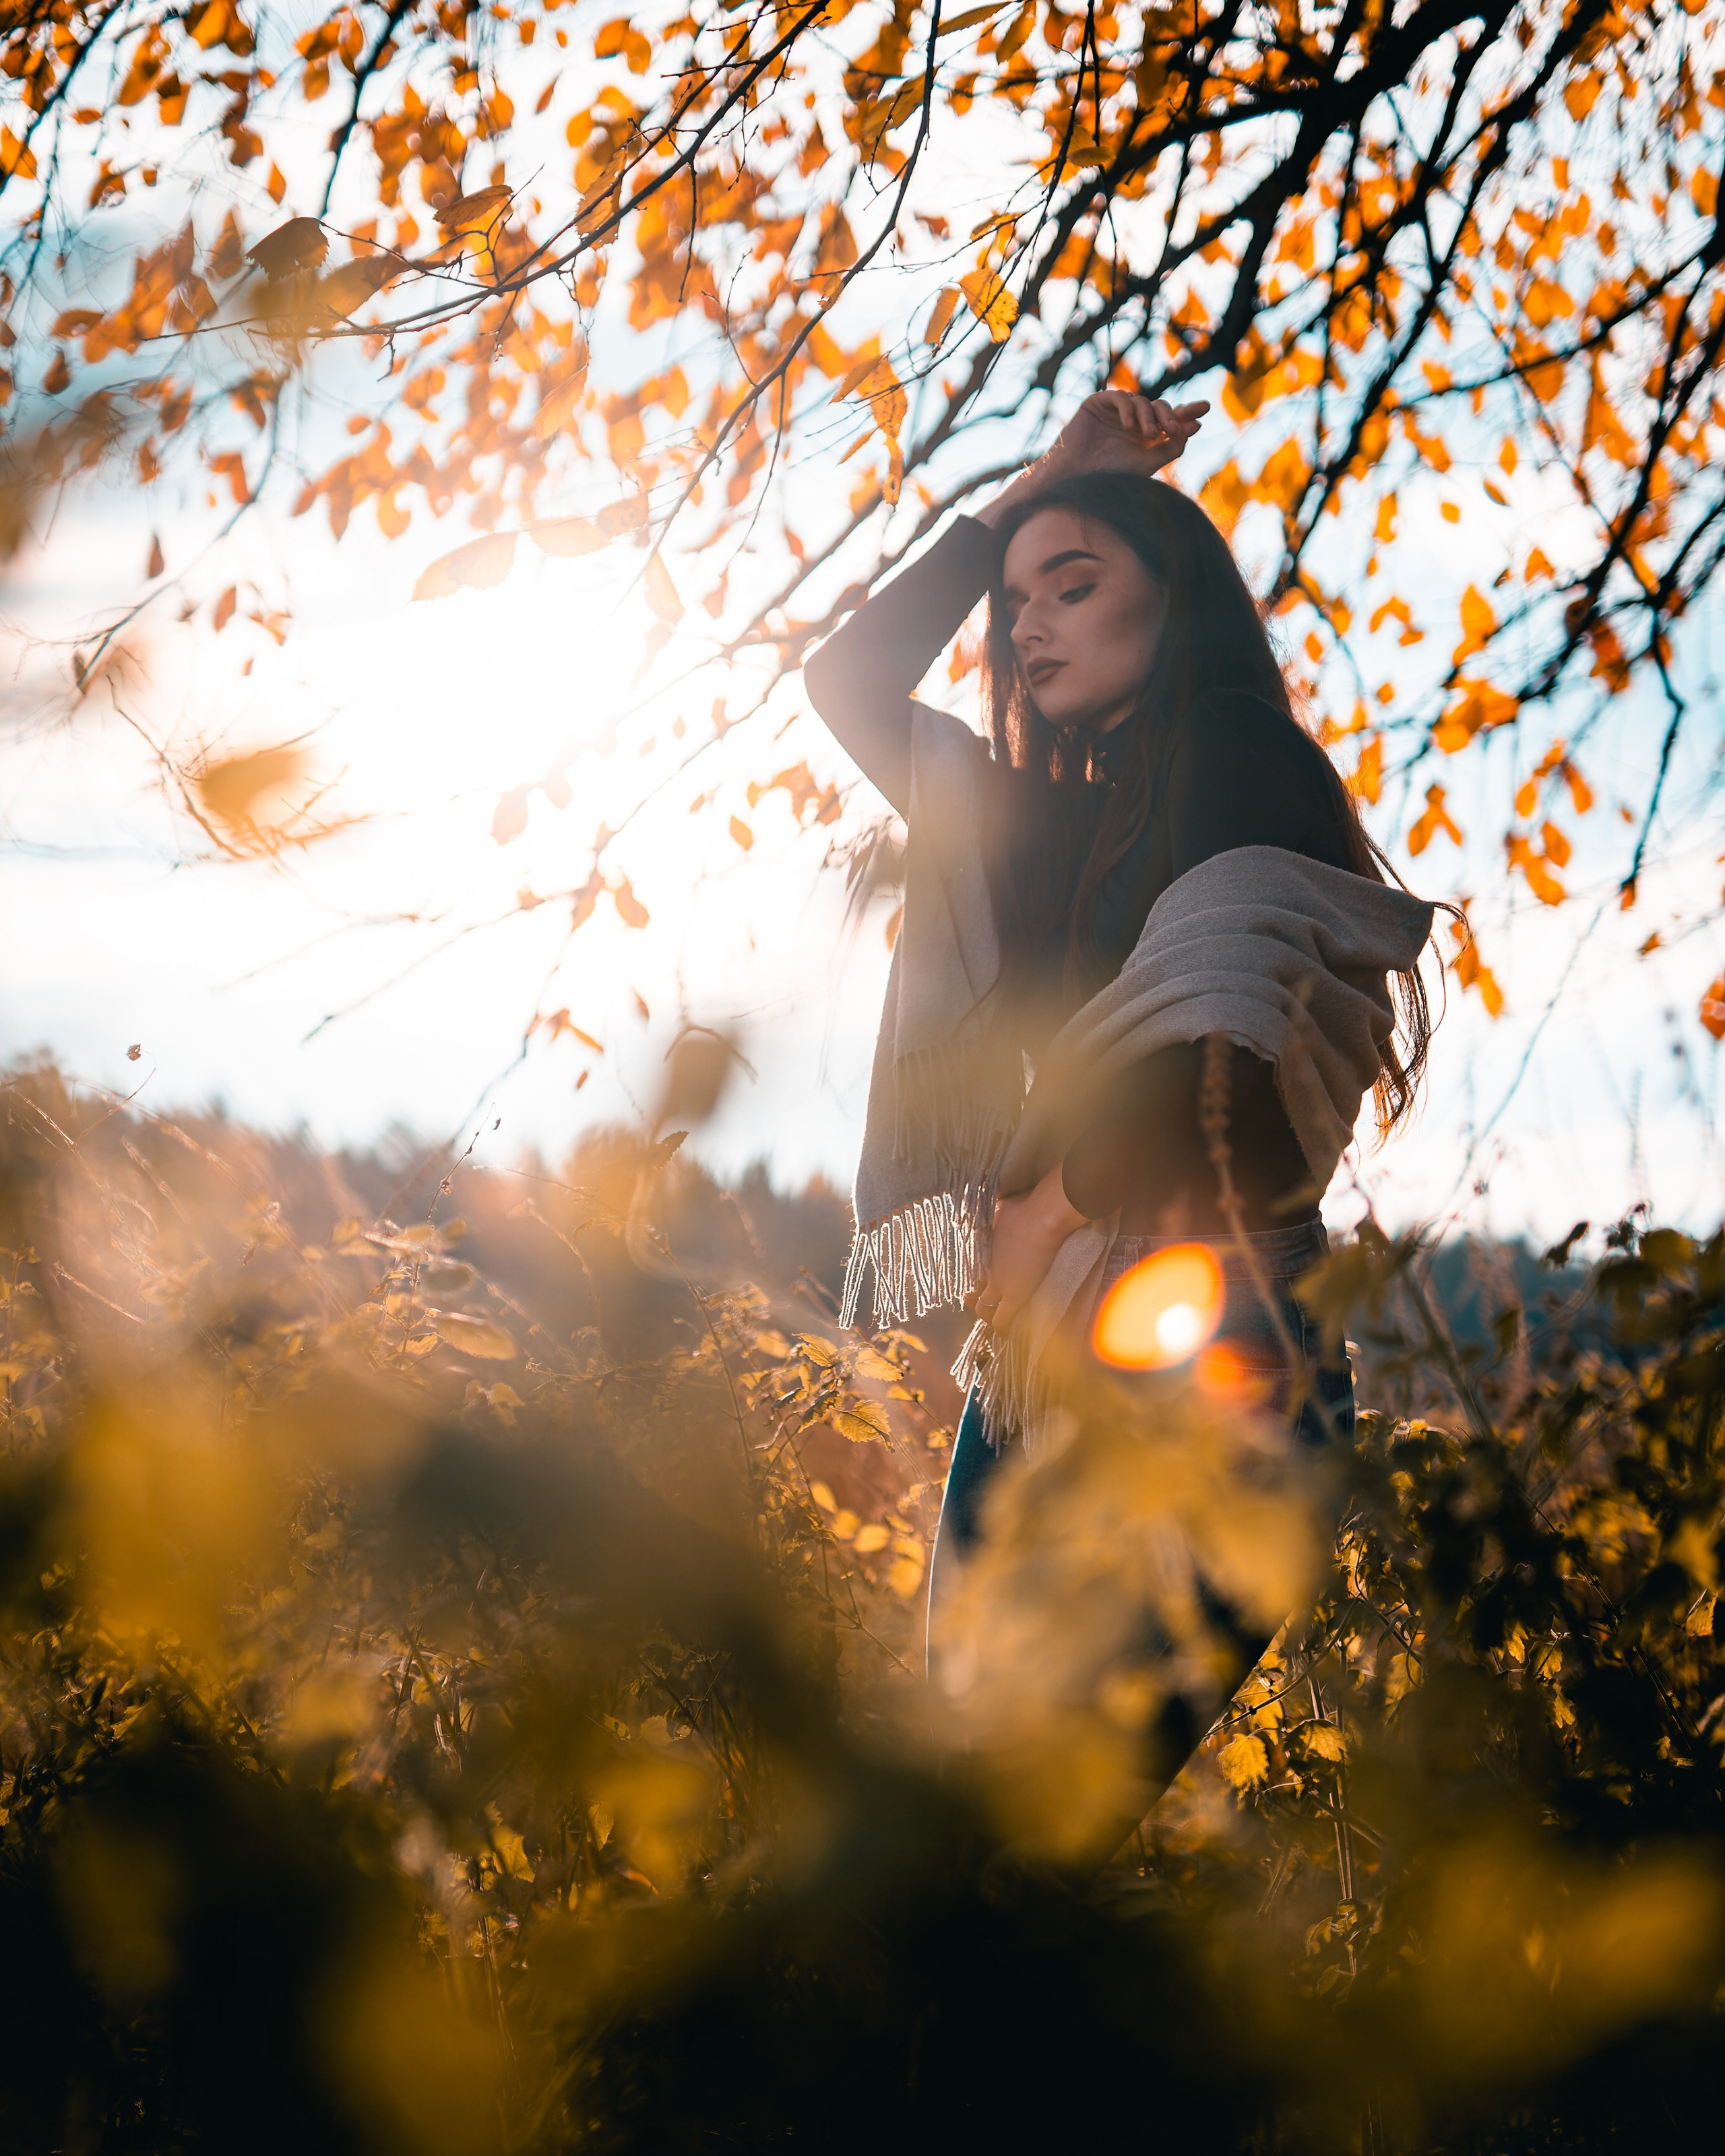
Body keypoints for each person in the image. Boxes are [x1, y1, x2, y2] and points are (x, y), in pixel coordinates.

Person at [804, 391, 1435, 1724]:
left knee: (1040, 1808)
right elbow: (844, 682)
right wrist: (1041, 485)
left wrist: (1041, 1208)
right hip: (1042, 1358)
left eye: (1073, 582)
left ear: (1174, 598)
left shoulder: (1233, 750)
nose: (1026, 620)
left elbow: (1223, 1039)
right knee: (976, 1811)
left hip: (1219, 1325)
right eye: (1014, 600)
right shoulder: (1038, 828)